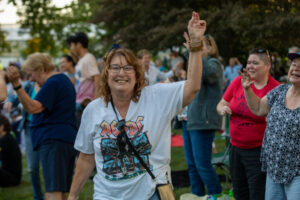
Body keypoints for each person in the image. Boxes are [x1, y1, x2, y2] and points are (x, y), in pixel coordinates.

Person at [67, 11, 206, 200]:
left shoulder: (156, 97)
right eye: (115, 68)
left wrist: (196, 47)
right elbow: (86, 158)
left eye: (127, 67)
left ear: (137, 74)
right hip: (106, 195)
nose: (121, 73)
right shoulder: (93, 110)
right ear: (106, 75)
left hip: (150, 192)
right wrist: (73, 196)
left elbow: (192, 87)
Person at [6, 53, 78, 200]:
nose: (31, 79)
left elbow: (33, 108)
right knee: (60, 190)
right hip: (64, 140)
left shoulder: (53, 82)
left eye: (31, 74)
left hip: (53, 140)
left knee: (53, 192)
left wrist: (17, 85)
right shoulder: (62, 81)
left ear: (41, 69)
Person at [216, 48, 280, 200]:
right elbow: (221, 104)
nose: (250, 66)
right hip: (235, 148)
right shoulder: (238, 81)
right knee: (239, 190)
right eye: (249, 62)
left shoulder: (275, 89)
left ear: (268, 65)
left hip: (258, 152)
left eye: (255, 63)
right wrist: (223, 109)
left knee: (257, 192)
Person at [240, 51, 300, 200]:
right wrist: (247, 88)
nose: (296, 69)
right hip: (274, 167)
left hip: (297, 172)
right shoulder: (280, 91)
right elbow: (258, 108)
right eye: (293, 65)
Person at [182, 33, 223, 198]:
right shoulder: (196, 64)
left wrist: (194, 52)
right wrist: (192, 54)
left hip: (204, 121)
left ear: (211, 47)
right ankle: (196, 195)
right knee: (192, 165)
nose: (198, 49)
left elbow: (208, 75)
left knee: (203, 165)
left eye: (201, 46)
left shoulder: (214, 64)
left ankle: (216, 195)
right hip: (190, 120)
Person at [4, 78, 44, 200]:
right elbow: (15, 96)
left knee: (49, 167)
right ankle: (38, 196)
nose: (28, 73)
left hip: (46, 129)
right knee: (32, 168)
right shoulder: (28, 85)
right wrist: (10, 101)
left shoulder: (49, 84)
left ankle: (54, 195)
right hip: (29, 128)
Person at [67, 32, 100, 107]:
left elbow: (97, 78)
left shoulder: (89, 58)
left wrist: (96, 102)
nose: (71, 49)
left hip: (87, 102)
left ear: (79, 44)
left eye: (71, 45)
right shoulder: (82, 60)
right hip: (79, 101)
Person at [0, 114, 22, 187]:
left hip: (12, 178)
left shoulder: (5, 139)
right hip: (11, 176)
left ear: (2, 127)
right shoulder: (8, 137)